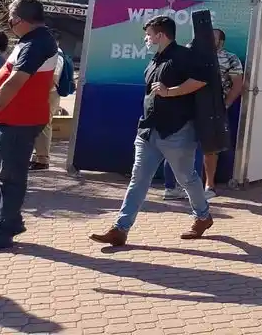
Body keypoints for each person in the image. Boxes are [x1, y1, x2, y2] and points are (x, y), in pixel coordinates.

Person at [90, 15, 213, 247]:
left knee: (186, 178)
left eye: (149, 35)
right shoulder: (155, 59)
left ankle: (203, 216)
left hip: (177, 130)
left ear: (161, 35)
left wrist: (171, 91)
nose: (146, 39)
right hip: (148, 130)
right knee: (138, 179)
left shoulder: (184, 56)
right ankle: (120, 229)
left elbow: (202, 80)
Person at [0, 0, 58, 249]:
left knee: (10, 177)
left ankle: (4, 230)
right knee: (6, 174)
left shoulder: (36, 43)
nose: (10, 23)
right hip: (13, 118)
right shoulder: (31, 40)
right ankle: (11, 220)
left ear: (21, 20)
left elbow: (15, 82)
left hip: (18, 121)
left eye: (11, 18)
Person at [162, 28, 245, 199]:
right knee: (178, 145)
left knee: (211, 148)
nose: (207, 39)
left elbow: (237, 85)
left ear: (221, 42)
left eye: (213, 37)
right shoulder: (189, 54)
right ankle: (175, 187)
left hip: (213, 109)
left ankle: (209, 186)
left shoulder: (231, 58)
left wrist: (226, 104)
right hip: (186, 107)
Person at [29, 43, 64, 171]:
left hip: (49, 94)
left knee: (44, 124)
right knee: (37, 124)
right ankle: (37, 157)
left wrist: (40, 93)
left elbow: (53, 79)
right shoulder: (48, 52)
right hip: (44, 93)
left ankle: (43, 160)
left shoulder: (56, 54)